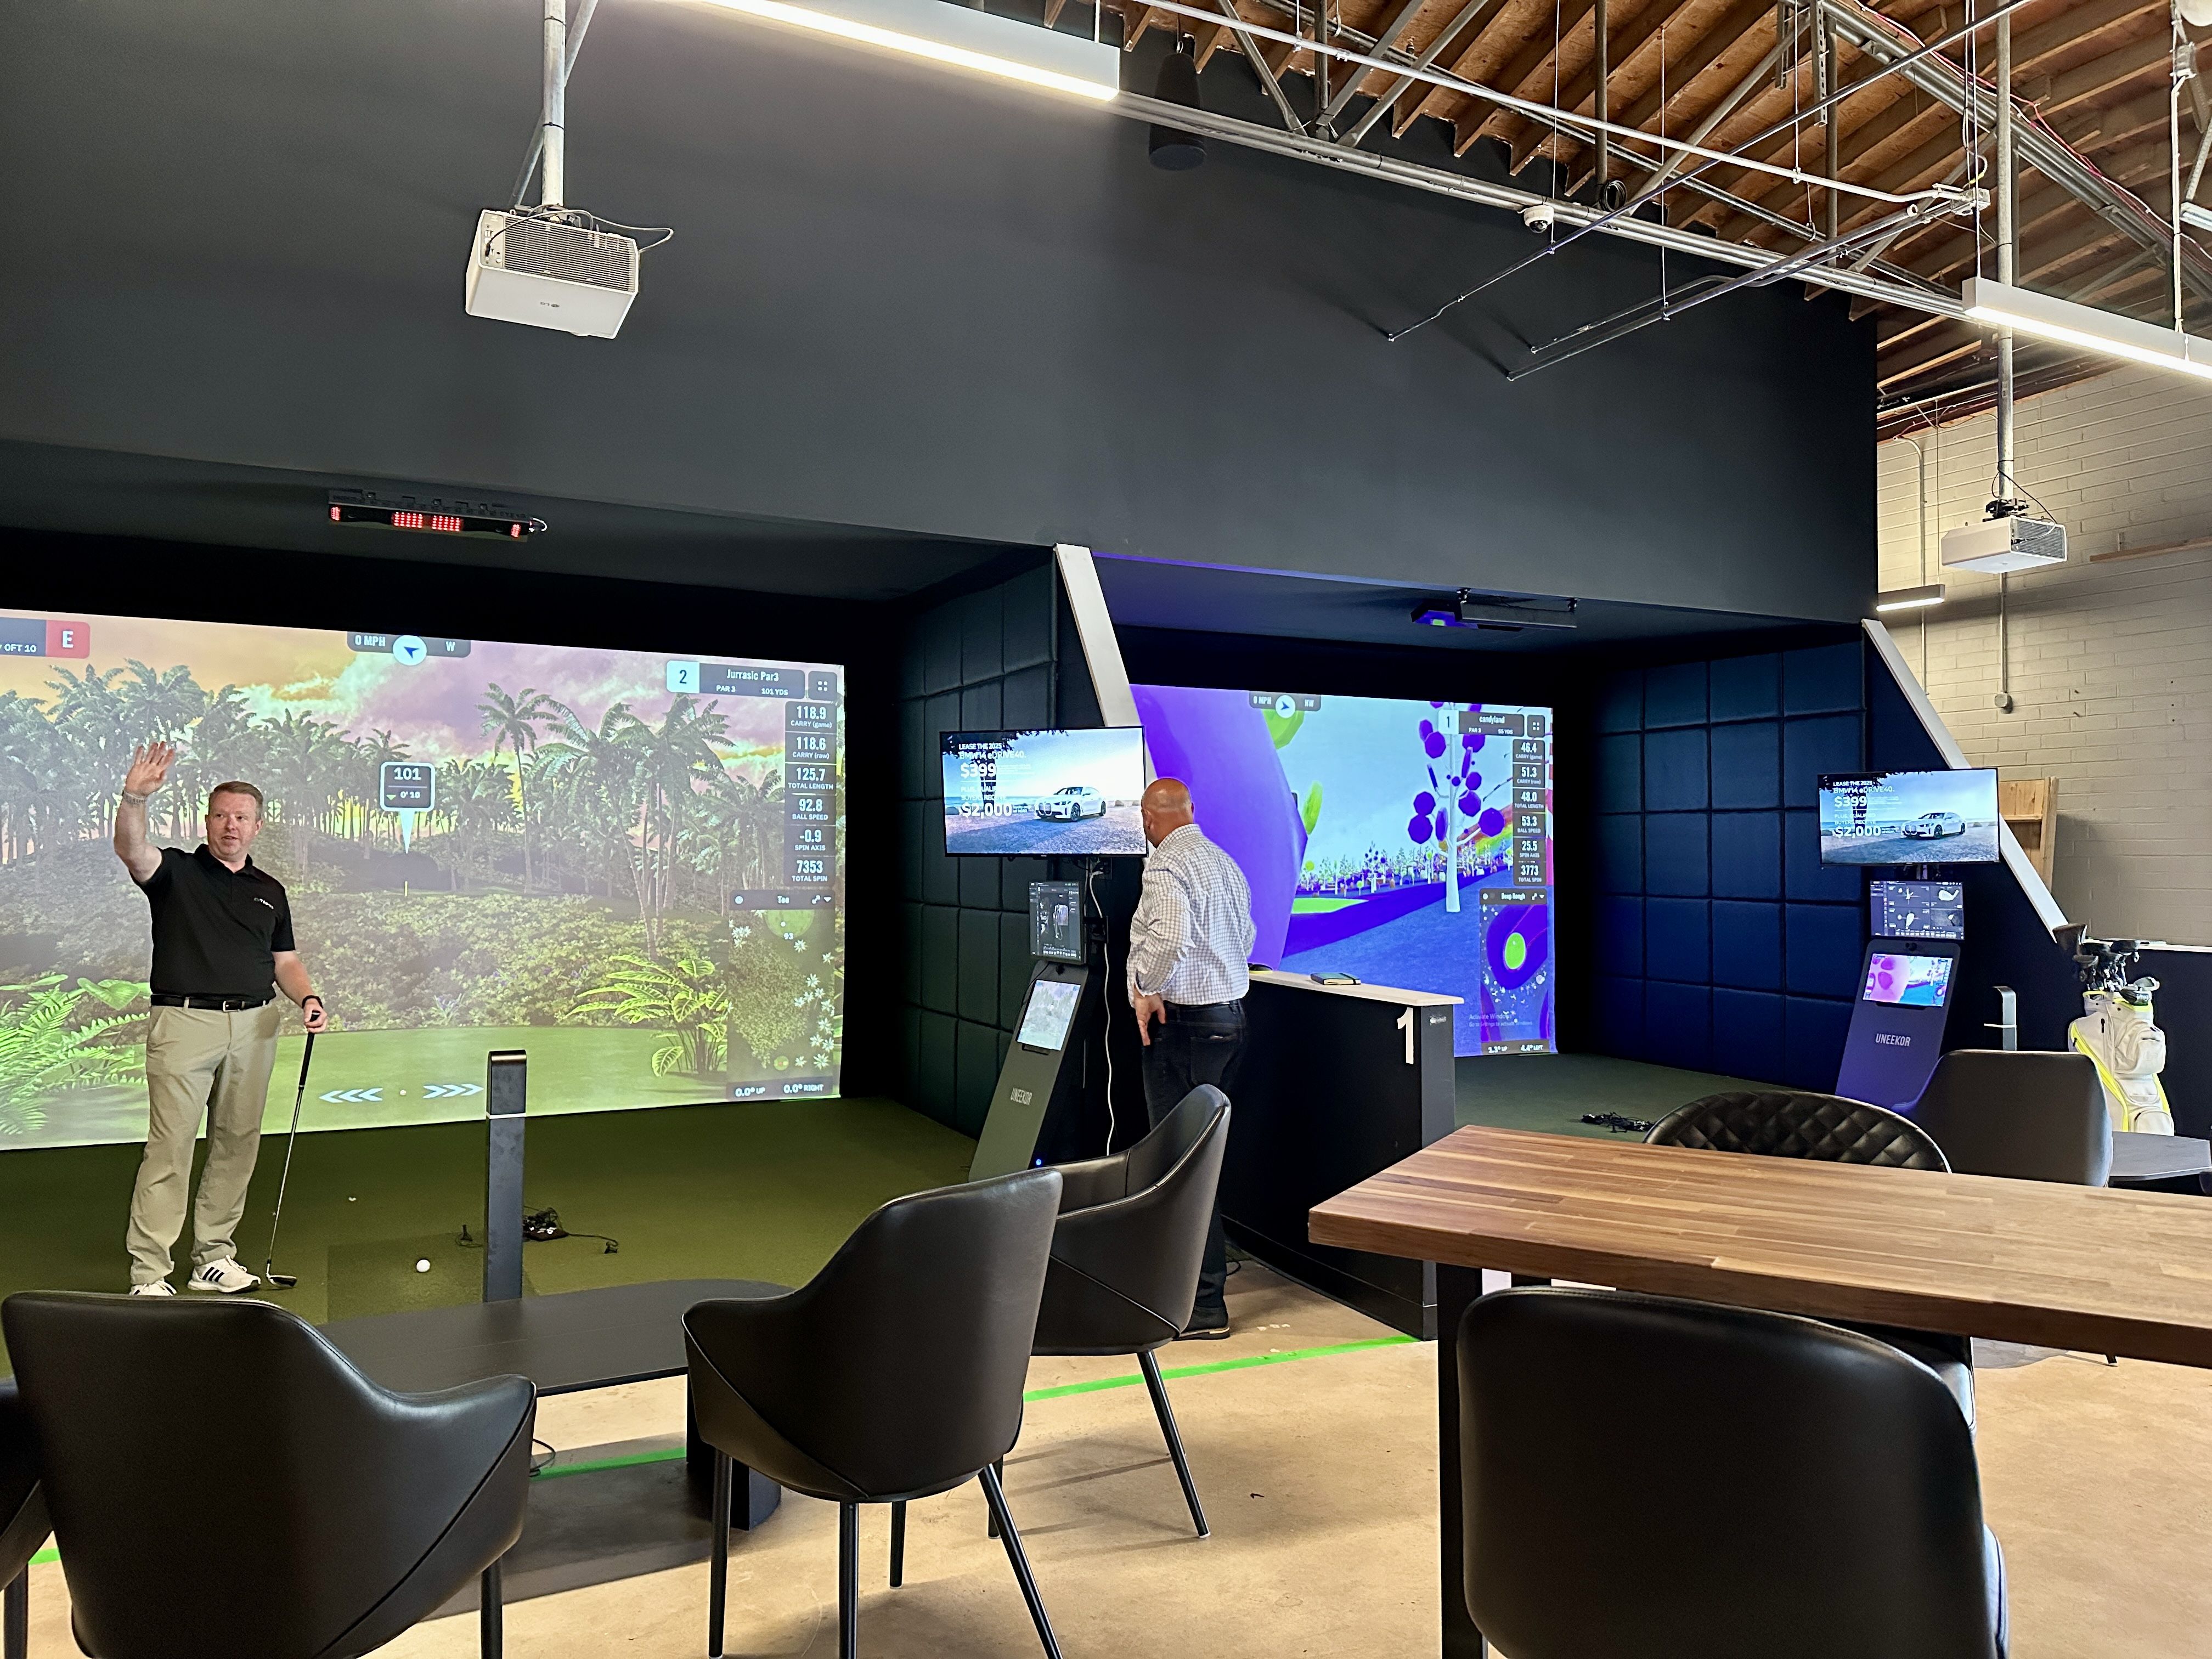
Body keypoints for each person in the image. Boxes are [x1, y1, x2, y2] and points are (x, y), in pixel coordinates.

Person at [113, 742, 328, 1295]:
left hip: (255, 1026)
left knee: (237, 1143)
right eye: (221, 816)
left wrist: (307, 997)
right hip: (185, 1024)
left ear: (257, 826)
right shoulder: (175, 873)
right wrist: (135, 796)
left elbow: (286, 962)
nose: (230, 826)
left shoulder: (270, 892)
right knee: (171, 1147)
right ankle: (150, 1272)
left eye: (241, 818)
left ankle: (213, 1257)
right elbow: (133, 852)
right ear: (206, 821)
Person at [1126, 776, 1254, 1339]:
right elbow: (1245, 938)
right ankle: (1198, 1291)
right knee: (1204, 1162)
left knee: (1181, 1166)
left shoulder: (1163, 866)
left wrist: (1146, 986)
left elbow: (1171, 936)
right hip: (1231, 1023)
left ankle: (1202, 1306)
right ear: (1191, 811)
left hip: (1184, 1028)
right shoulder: (1223, 862)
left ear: (1149, 822)